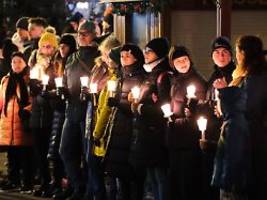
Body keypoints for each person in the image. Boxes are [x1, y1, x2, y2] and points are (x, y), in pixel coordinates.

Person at [214, 35, 267, 200]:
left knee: (238, 190)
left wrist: (224, 94)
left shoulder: (254, 79)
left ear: (243, 53)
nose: (237, 56)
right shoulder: (248, 76)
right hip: (243, 140)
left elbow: (246, 109)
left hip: (245, 142)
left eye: (236, 52)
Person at [59, 20, 99, 200]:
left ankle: (90, 191)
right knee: (65, 150)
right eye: (79, 33)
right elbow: (66, 79)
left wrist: (90, 92)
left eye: (85, 33)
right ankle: (78, 186)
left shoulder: (97, 57)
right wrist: (63, 90)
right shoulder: (72, 57)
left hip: (88, 111)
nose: (81, 36)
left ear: (93, 35)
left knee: (88, 154)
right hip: (71, 109)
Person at [129, 37, 172, 200]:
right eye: (145, 51)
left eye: (150, 51)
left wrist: (140, 107)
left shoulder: (162, 76)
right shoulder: (151, 73)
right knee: (152, 175)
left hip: (156, 132)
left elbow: (163, 107)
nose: (145, 54)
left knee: (159, 175)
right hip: (146, 132)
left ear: (159, 53)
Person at [105, 44, 146, 200]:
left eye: (127, 56)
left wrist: (118, 103)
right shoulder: (121, 75)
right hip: (119, 127)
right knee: (120, 173)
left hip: (132, 130)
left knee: (132, 175)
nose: (123, 59)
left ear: (136, 57)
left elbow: (135, 106)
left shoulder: (140, 77)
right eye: (121, 56)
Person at [167, 45, 207, 200]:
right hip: (175, 139)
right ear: (173, 64)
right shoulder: (175, 80)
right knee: (175, 182)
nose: (182, 63)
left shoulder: (197, 82)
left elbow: (197, 115)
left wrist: (175, 122)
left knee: (188, 184)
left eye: (185, 59)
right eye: (178, 61)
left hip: (188, 140)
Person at [200, 36, 236, 200]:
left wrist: (224, 92)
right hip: (213, 135)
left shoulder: (236, 76)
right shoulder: (213, 76)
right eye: (217, 52)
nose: (221, 56)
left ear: (231, 55)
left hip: (228, 136)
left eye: (225, 52)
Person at [46, 34, 77, 198]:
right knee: (57, 149)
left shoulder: (72, 62)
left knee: (66, 149)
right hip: (58, 110)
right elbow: (53, 83)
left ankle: (71, 184)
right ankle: (58, 183)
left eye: (65, 46)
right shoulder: (57, 62)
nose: (61, 49)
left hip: (69, 110)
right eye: (61, 46)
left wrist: (61, 93)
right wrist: (49, 91)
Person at [0, 52, 33, 192]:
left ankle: (26, 182)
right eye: (14, 62)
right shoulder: (6, 80)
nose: (16, 64)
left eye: (19, 61)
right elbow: (2, 101)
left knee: (25, 155)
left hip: (23, 121)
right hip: (8, 122)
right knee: (12, 154)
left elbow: (34, 100)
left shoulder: (30, 80)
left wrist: (28, 110)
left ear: (25, 63)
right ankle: (13, 180)